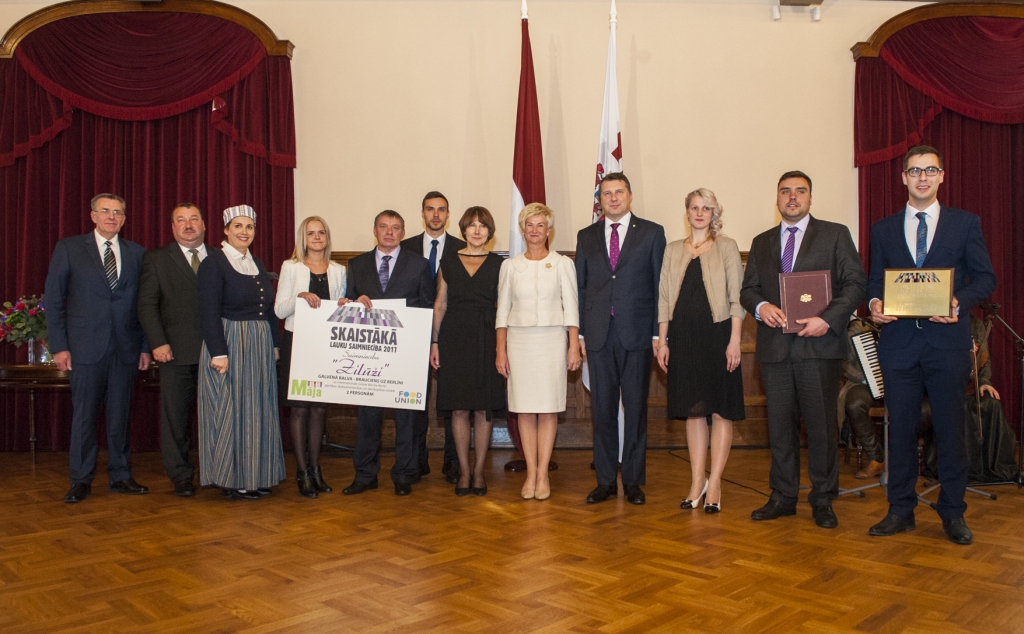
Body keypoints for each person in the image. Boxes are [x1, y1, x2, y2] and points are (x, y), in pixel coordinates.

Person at [867, 145, 996, 545]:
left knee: (950, 430)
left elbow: (985, 279)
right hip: (899, 344)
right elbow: (875, 283)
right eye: (914, 171)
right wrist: (873, 304)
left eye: (930, 170)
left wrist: (959, 300)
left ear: (942, 176)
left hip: (947, 343)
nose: (922, 177)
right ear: (902, 177)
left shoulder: (965, 223)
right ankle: (900, 510)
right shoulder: (883, 228)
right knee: (900, 429)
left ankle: (953, 513)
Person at [740, 171, 866, 529]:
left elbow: (856, 283)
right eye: (785, 191)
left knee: (822, 428)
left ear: (810, 198)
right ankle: (782, 496)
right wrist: (761, 308)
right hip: (775, 350)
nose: (792, 197)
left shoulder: (835, 234)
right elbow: (748, 290)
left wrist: (828, 319)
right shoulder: (762, 242)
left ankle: (823, 498)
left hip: (819, 346)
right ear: (777, 198)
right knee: (779, 428)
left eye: (800, 191)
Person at [44, 193, 152, 503]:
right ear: (93, 215)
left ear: (124, 218)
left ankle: (120, 475)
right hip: (84, 348)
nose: (111, 216)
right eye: (105, 211)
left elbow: (146, 305)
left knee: (120, 416)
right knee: (85, 417)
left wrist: (145, 345)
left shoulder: (138, 253)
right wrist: (59, 346)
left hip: (126, 349)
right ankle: (81, 479)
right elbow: (54, 299)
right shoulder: (69, 248)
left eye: (117, 212)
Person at [576, 172, 666, 506]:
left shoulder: (652, 233)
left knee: (636, 410)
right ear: (599, 199)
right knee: (602, 411)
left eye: (619, 192)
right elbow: (581, 287)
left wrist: (658, 332)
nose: (613, 198)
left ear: (630, 196)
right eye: (607, 193)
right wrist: (582, 333)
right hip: (599, 336)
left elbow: (660, 286)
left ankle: (632, 480)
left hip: (638, 334)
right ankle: (604, 481)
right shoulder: (586, 236)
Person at [656, 188, 745, 513]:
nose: (699, 212)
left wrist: (734, 340)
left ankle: (716, 482)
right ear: (687, 212)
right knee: (693, 411)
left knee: (720, 410)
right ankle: (697, 481)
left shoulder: (727, 247)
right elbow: (664, 299)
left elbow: (738, 297)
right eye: (694, 207)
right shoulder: (672, 250)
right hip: (682, 339)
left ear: (713, 213)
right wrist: (663, 340)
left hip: (719, 337)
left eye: (706, 208)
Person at [342, 210, 435, 497]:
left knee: (407, 417)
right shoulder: (356, 265)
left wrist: (427, 344)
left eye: (395, 228)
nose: (389, 232)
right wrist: (352, 302)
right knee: (368, 417)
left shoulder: (419, 265)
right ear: (375, 230)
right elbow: (347, 302)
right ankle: (365, 474)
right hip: (368, 357)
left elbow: (428, 307)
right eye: (384, 226)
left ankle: (404, 474)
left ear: (403, 233)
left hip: (406, 354)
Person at [197, 205, 285, 500]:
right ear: (225, 230)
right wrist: (218, 351)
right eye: (238, 226)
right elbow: (207, 311)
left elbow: (269, 310)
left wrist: (273, 344)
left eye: (249, 227)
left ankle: (257, 475)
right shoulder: (214, 263)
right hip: (231, 341)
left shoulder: (256, 262)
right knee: (232, 411)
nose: (244, 232)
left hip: (258, 344)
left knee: (258, 409)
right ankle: (234, 478)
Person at [496, 203, 580, 500]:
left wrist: (573, 346)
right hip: (518, 343)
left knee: (547, 409)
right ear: (522, 229)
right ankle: (530, 471)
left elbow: (571, 308)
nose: (534, 230)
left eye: (540, 225)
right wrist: (500, 350)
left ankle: (543, 473)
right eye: (529, 225)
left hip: (552, 341)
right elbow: (502, 311)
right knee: (524, 408)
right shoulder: (509, 266)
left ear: (549, 229)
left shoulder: (562, 264)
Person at [430, 206, 505, 496]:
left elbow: (504, 307)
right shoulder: (448, 261)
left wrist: (503, 346)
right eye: (471, 225)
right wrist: (435, 342)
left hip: (487, 336)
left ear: (489, 231)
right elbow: (440, 303)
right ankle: (463, 472)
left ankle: (479, 472)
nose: (477, 230)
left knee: (483, 408)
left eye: (482, 225)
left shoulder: (500, 264)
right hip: (454, 337)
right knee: (459, 407)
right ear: (463, 229)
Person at [137, 203, 208, 497]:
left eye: (194, 219)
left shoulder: (221, 257)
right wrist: (157, 342)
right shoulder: (156, 259)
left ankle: (217, 473)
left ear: (204, 225)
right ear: (172, 227)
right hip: (174, 353)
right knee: (175, 419)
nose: (188, 225)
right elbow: (146, 305)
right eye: (181, 220)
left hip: (217, 354)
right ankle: (180, 476)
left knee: (215, 418)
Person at [275, 216, 347, 498]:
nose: (316, 237)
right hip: (297, 341)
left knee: (319, 409)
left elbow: (339, 312)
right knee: (300, 408)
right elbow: (280, 310)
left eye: (321, 232)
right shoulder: (290, 267)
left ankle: (316, 469)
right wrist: (300, 297)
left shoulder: (339, 270)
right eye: (310, 233)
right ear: (302, 239)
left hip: (324, 345)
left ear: (327, 237)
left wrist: (345, 304)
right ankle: (302, 471)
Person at [400, 191, 466, 484]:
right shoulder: (404, 247)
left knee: (453, 401)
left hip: (450, 333)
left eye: (441, 210)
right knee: (415, 401)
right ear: (423, 213)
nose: (436, 215)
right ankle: (416, 461)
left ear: (448, 214)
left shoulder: (464, 248)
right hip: (411, 333)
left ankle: (453, 463)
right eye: (430, 209)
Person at [838, 317, 886, 480]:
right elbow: (843, 363)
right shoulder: (858, 328)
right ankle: (876, 458)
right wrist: (867, 378)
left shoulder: (907, 325)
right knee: (855, 403)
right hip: (864, 382)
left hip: (902, 382)